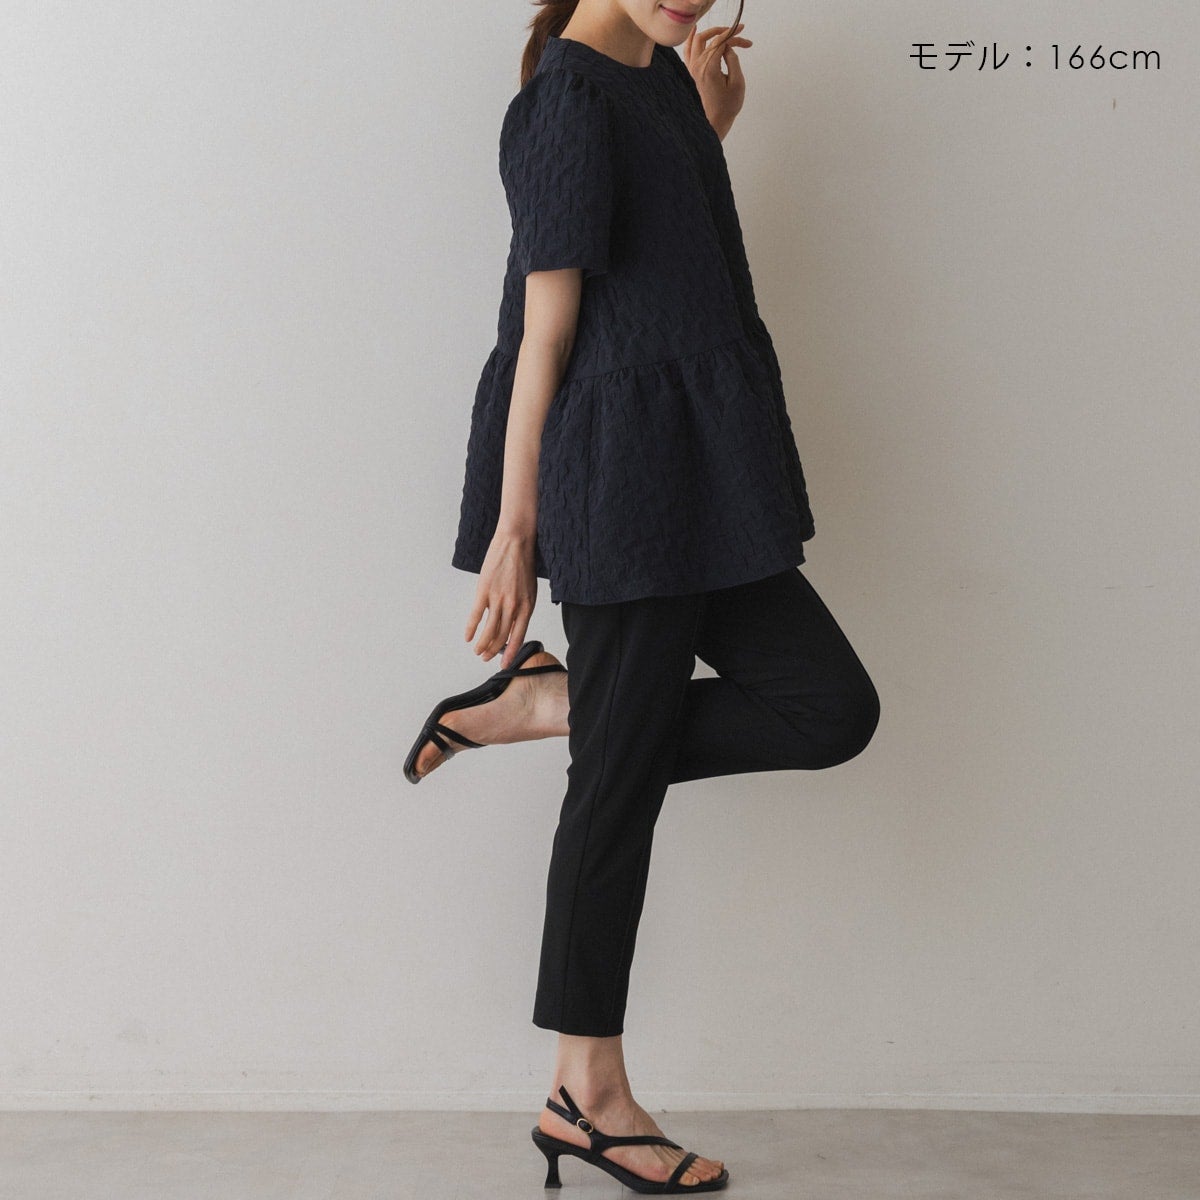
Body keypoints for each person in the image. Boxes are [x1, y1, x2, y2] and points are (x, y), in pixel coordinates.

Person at [406, 0, 880, 1190]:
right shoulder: (566, 98)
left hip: (704, 470)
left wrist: (707, 121)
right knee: (614, 792)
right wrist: (518, 527)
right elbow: (546, 334)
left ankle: (553, 702)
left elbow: (647, 246)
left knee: (828, 707)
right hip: (620, 477)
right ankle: (586, 1094)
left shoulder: (657, 76)